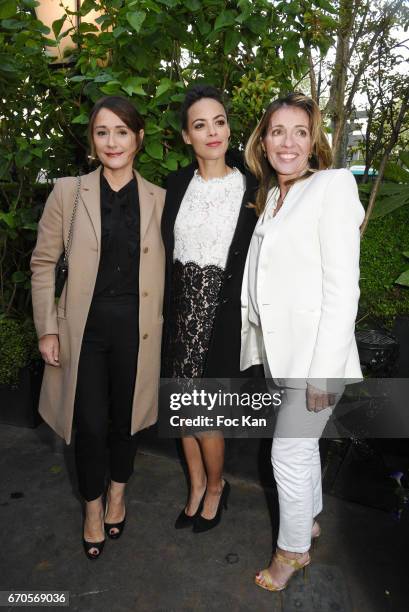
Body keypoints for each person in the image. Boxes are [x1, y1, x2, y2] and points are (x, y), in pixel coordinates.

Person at [31, 96, 165, 559]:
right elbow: (44, 263)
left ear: (138, 138)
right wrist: (47, 328)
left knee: (127, 423)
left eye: (122, 131)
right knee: (88, 425)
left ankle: (118, 493)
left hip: (138, 329)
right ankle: (91, 508)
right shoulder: (68, 192)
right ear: (92, 140)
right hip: (82, 330)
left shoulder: (159, 200)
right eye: (103, 131)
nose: (113, 141)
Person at [241, 92, 364, 590]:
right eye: (277, 131)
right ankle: (309, 517)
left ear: (314, 142)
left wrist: (323, 373)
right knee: (303, 448)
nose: (287, 142)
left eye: (299, 132)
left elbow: (342, 288)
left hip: (314, 357)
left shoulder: (332, 187)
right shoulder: (273, 195)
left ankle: (292, 552)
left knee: (286, 454)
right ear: (263, 141)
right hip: (280, 352)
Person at [161, 85, 259, 532]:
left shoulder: (253, 186)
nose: (212, 132)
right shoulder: (176, 185)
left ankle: (217, 488)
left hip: (221, 316)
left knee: (207, 415)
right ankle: (196, 485)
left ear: (228, 126)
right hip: (179, 312)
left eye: (219, 121)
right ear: (187, 136)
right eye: (200, 125)